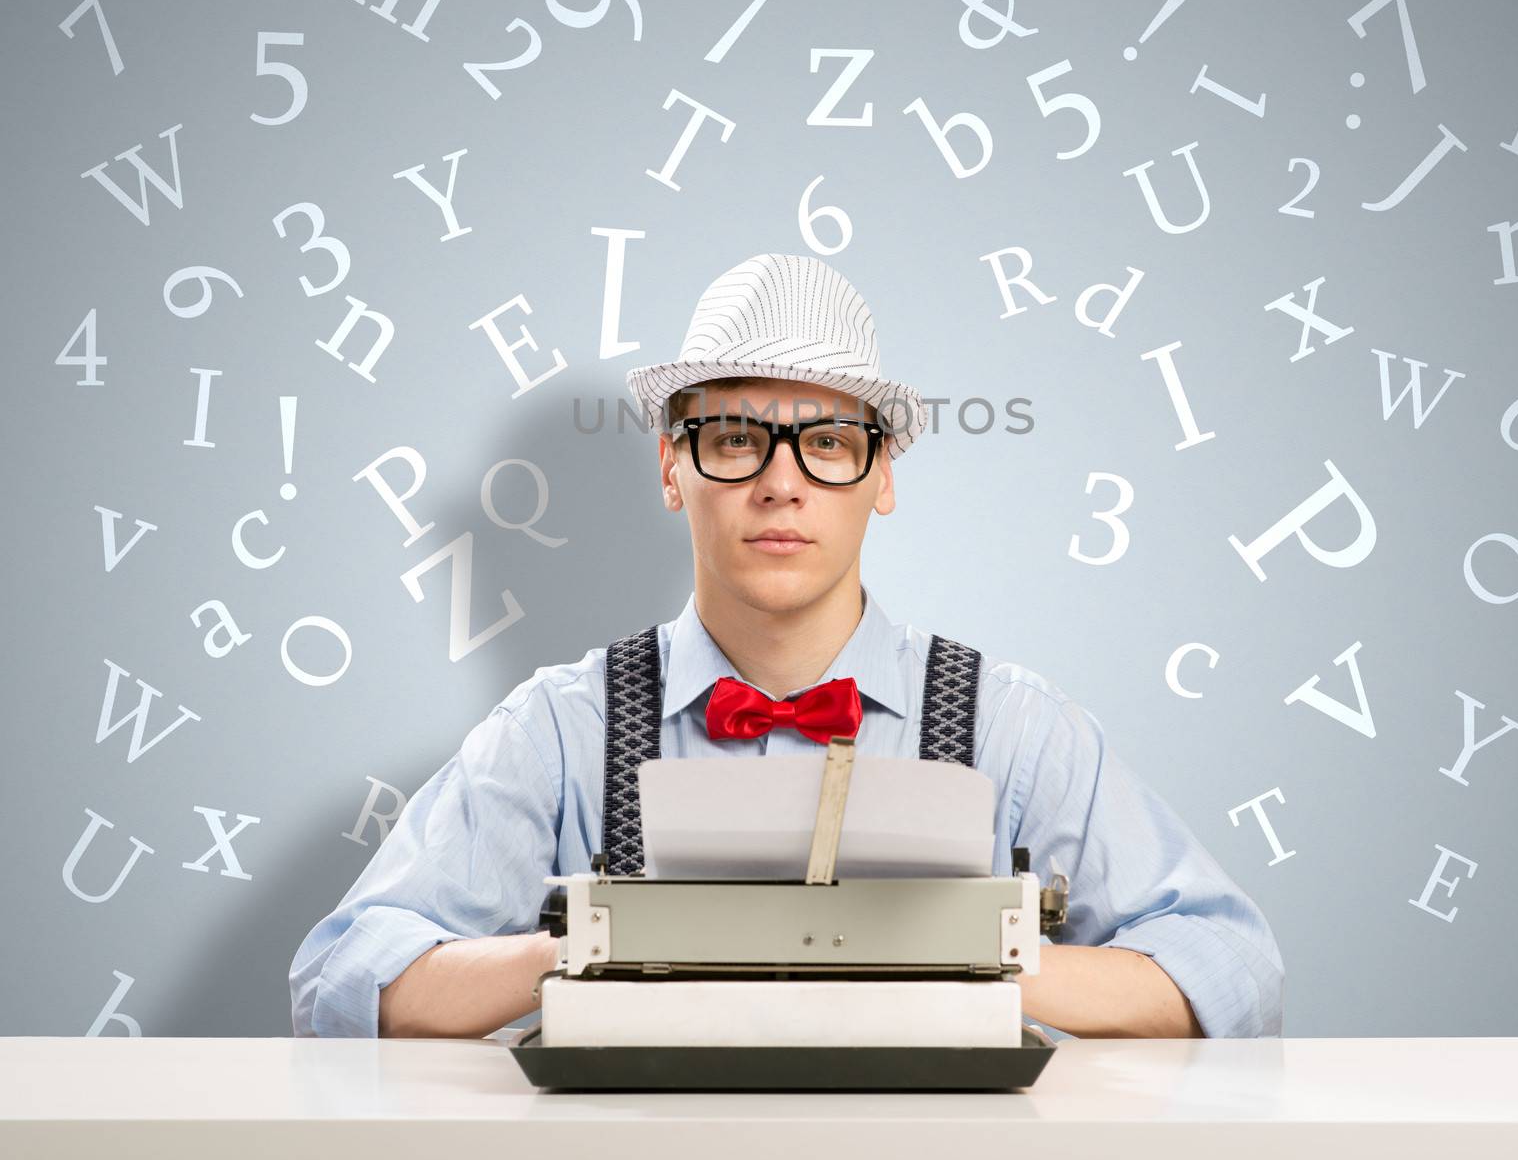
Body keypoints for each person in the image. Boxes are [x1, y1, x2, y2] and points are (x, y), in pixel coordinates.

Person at [290, 251, 1284, 1040]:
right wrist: (578, 950)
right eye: (733, 439)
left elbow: (1232, 971)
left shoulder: (1011, 728)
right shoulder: (558, 728)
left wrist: (982, 955)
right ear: (672, 469)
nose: (780, 484)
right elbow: (342, 979)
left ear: (879, 476)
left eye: (826, 443)